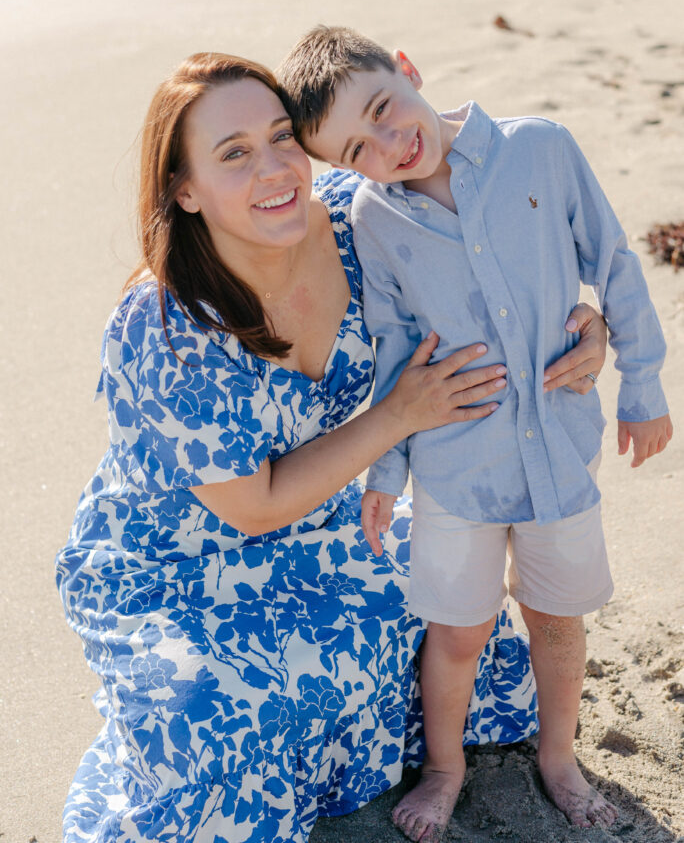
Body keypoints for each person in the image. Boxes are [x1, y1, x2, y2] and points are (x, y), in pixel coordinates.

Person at [56, 52, 608, 843]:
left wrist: (585, 322)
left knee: (459, 628)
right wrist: (399, 415)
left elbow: (503, 236)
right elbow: (255, 506)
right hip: (176, 562)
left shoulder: (366, 216)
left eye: (282, 137)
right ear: (185, 190)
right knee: (215, 719)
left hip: (335, 523)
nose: (275, 167)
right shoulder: (163, 328)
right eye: (234, 153)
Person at [277, 25, 674, 842]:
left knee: (557, 617)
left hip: (560, 451)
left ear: (409, 68)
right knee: (457, 630)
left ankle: (560, 758)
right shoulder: (379, 222)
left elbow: (613, 260)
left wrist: (641, 377)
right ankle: (446, 767)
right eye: (358, 150)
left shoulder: (542, 148)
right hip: (454, 467)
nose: (389, 145)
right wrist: (385, 474)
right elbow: (395, 348)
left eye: (385, 109)